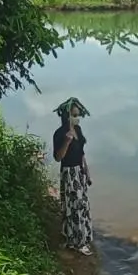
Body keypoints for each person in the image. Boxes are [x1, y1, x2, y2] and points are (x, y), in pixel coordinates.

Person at [52, 97, 94, 256]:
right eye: (74, 115)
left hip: (80, 173)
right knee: (73, 207)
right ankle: (76, 242)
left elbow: (82, 153)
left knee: (83, 206)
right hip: (69, 174)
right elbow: (58, 157)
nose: (77, 118)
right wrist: (67, 142)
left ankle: (82, 237)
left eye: (78, 115)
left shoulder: (79, 130)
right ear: (66, 115)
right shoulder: (60, 133)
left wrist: (87, 173)